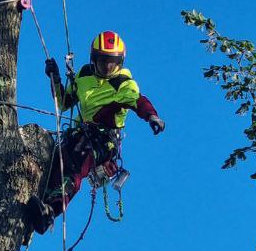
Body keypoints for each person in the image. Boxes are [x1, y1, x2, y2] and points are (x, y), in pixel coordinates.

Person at [25, 31, 165, 234]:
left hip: (101, 142)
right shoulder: (84, 75)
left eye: (113, 63)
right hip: (76, 134)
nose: (108, 67)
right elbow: (64, 103)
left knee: (76, 163)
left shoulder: (123, 84)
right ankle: (33, 210)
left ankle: (50, 212)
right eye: (103, 62)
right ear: (93, 60)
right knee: (54, 161)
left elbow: (139, 101)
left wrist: (152, 116)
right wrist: (55, 78)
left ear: (120, 63)